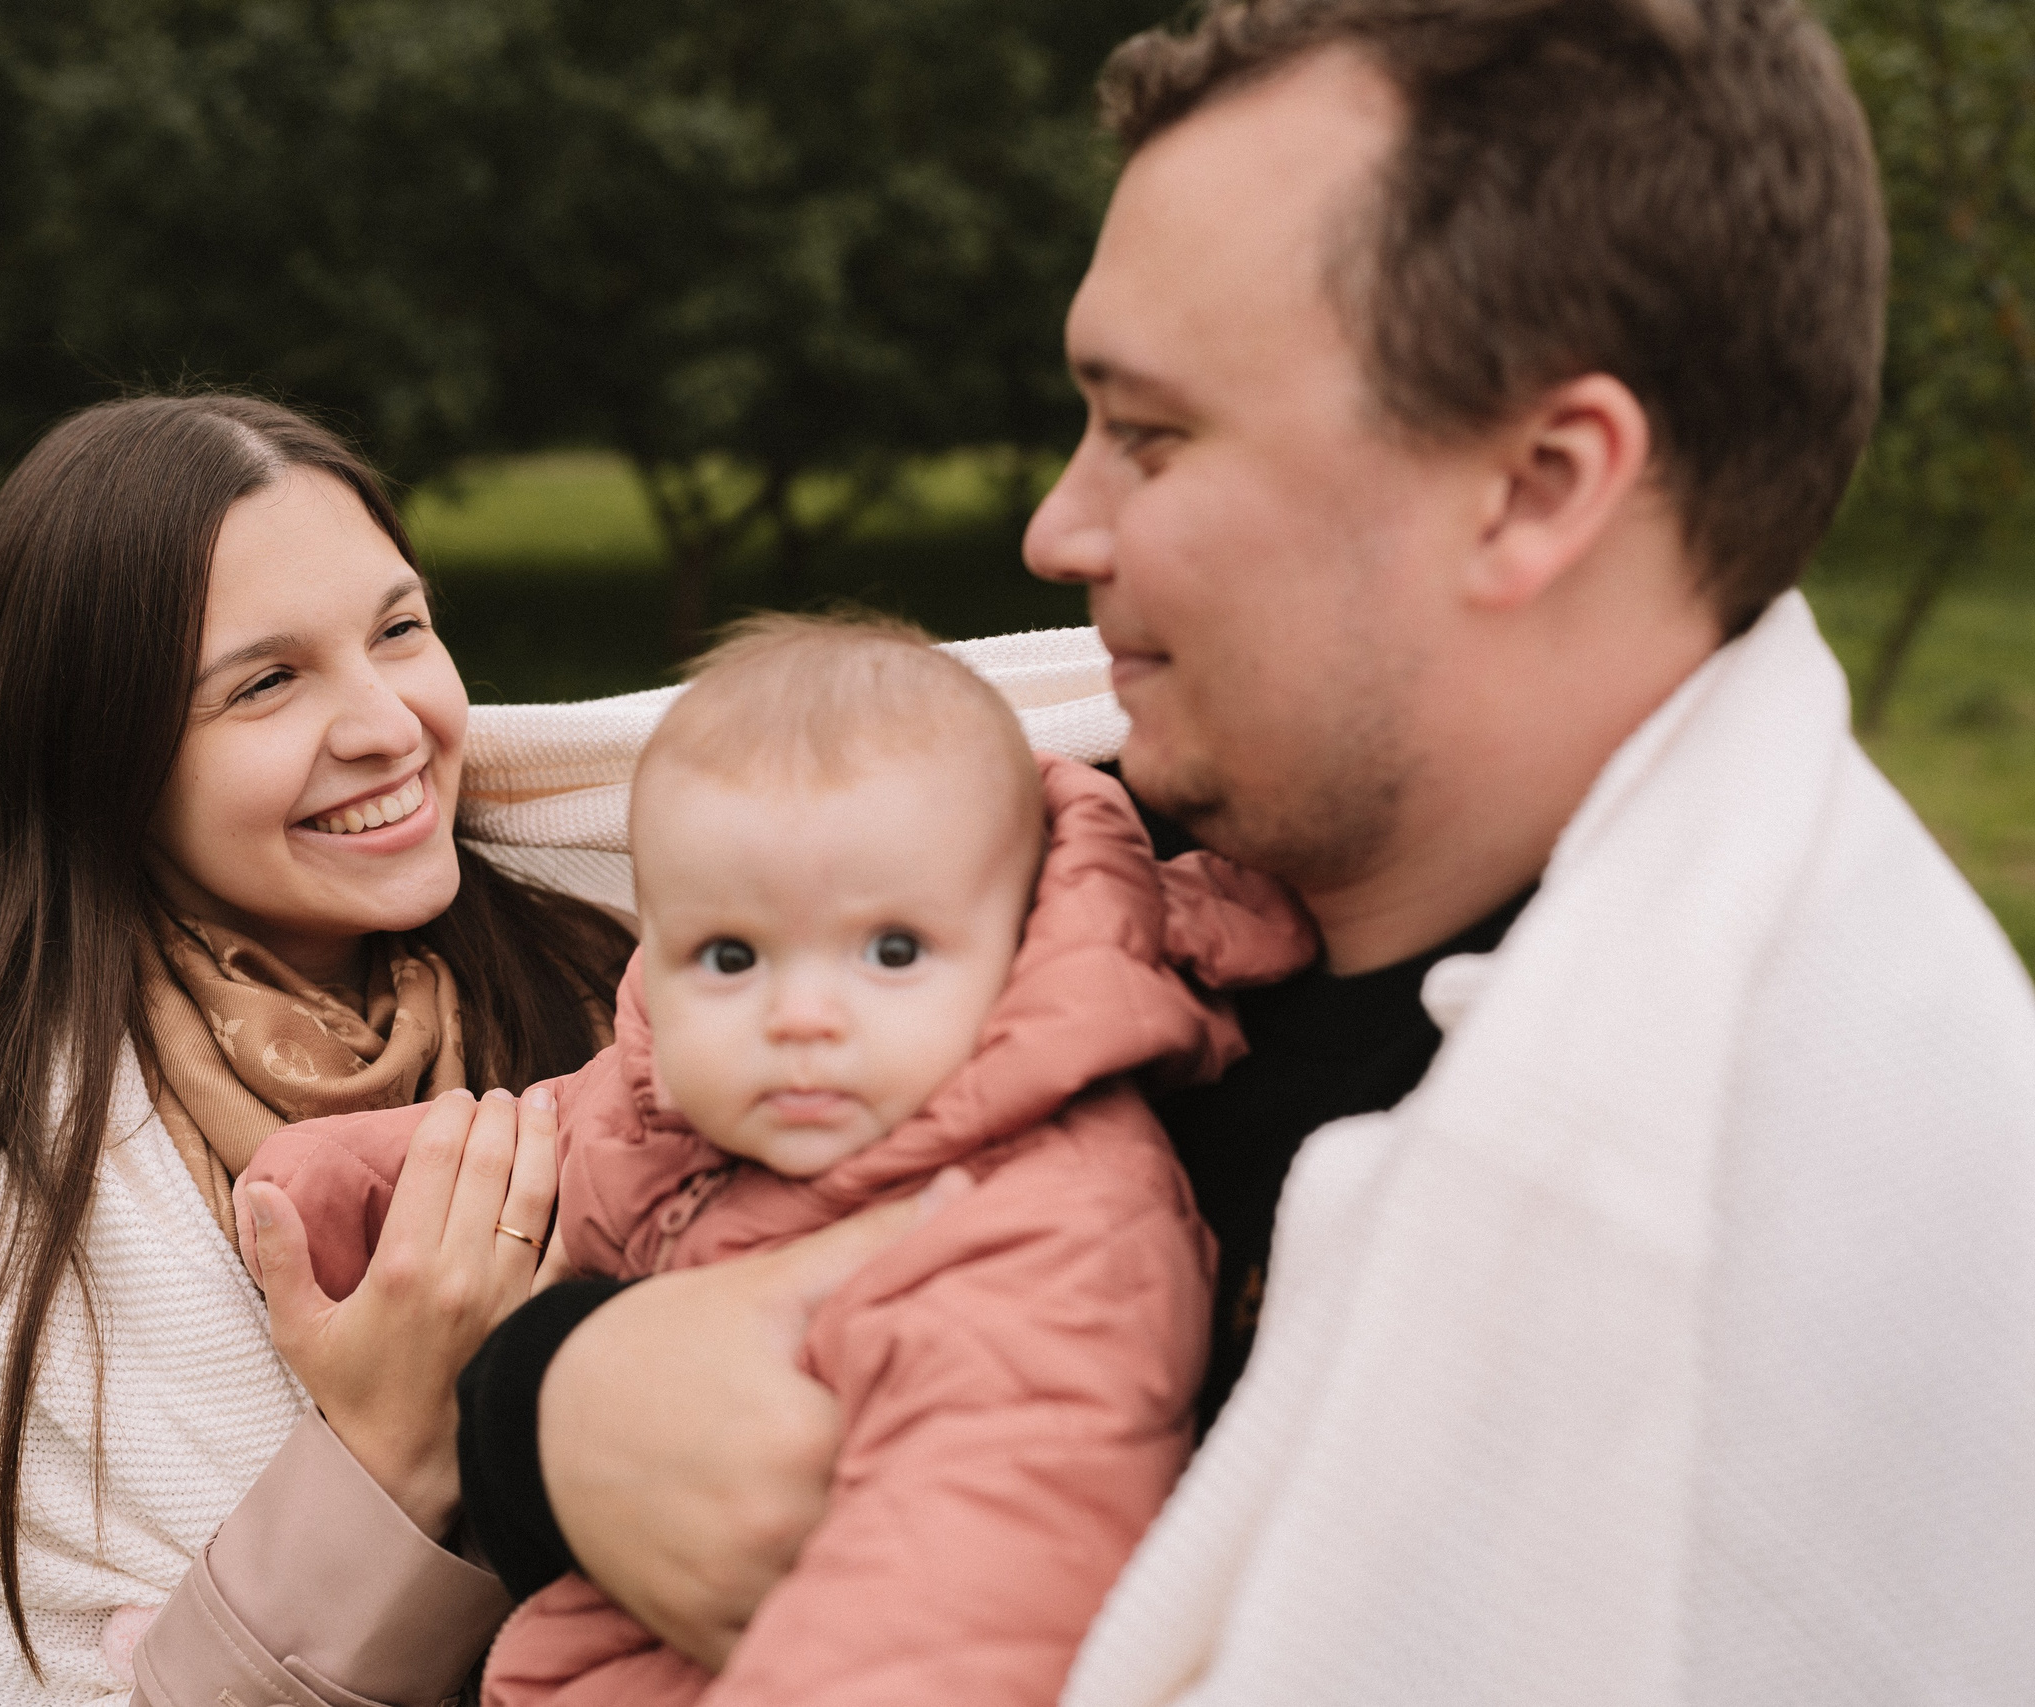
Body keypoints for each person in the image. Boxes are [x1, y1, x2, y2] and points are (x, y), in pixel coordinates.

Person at [451, 2, 2035, 1700]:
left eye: (1150, 432)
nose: (1056, 526)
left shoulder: (1742, 1241)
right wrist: (554, 1397)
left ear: (1539, 486)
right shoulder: (1042, 856)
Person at [238, 615, 1314, 1706]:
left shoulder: (1049, 1223)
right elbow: (543, 1136)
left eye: (892, 951)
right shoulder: (677, 1097)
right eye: (732, 955)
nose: (801, 1015)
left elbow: (966, 1607)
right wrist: (338, 1186)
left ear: (1020, 937)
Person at [0, 391, 636, 1706]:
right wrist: (383, 1456)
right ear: (102, 765)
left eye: (399, 628)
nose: (388, 724)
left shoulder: (638, 981)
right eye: (265, 681)